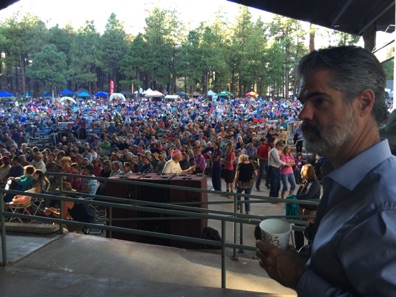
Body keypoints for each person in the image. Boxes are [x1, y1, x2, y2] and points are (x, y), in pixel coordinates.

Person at [256, 46, 396, 296]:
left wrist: (300, 277)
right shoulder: (343, 179)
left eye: (319, 100)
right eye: (303, 101)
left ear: (363, 103)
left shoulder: (382, 210)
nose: (303, 113)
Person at [294, 163, 321, 250]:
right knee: (297, 228)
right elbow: (300, 195)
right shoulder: (306, 183)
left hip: (310, 212)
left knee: (310, 231)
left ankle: (311, 250)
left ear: (308, 173)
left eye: (303, 172)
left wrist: (294, 198)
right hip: (302, 210)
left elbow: (307, 196)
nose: (301, 173)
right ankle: (299, 248)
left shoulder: (315, 184)